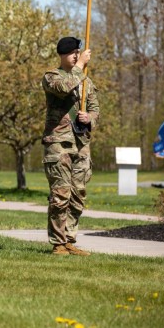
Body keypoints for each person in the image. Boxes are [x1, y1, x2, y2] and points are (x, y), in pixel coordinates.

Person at [41, 36, 99, 256]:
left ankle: (69, 239)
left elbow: (95, 109)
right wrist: (80, 66)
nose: (76, 55)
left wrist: (89, 118)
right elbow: (63, 88)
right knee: (60, 194)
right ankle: (57, 243)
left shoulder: (86, 82)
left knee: (78, 194)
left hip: (81, 144)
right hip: (59, 143)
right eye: (72, 53)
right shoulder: (51, 77)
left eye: (78, 52)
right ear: (63, 55)